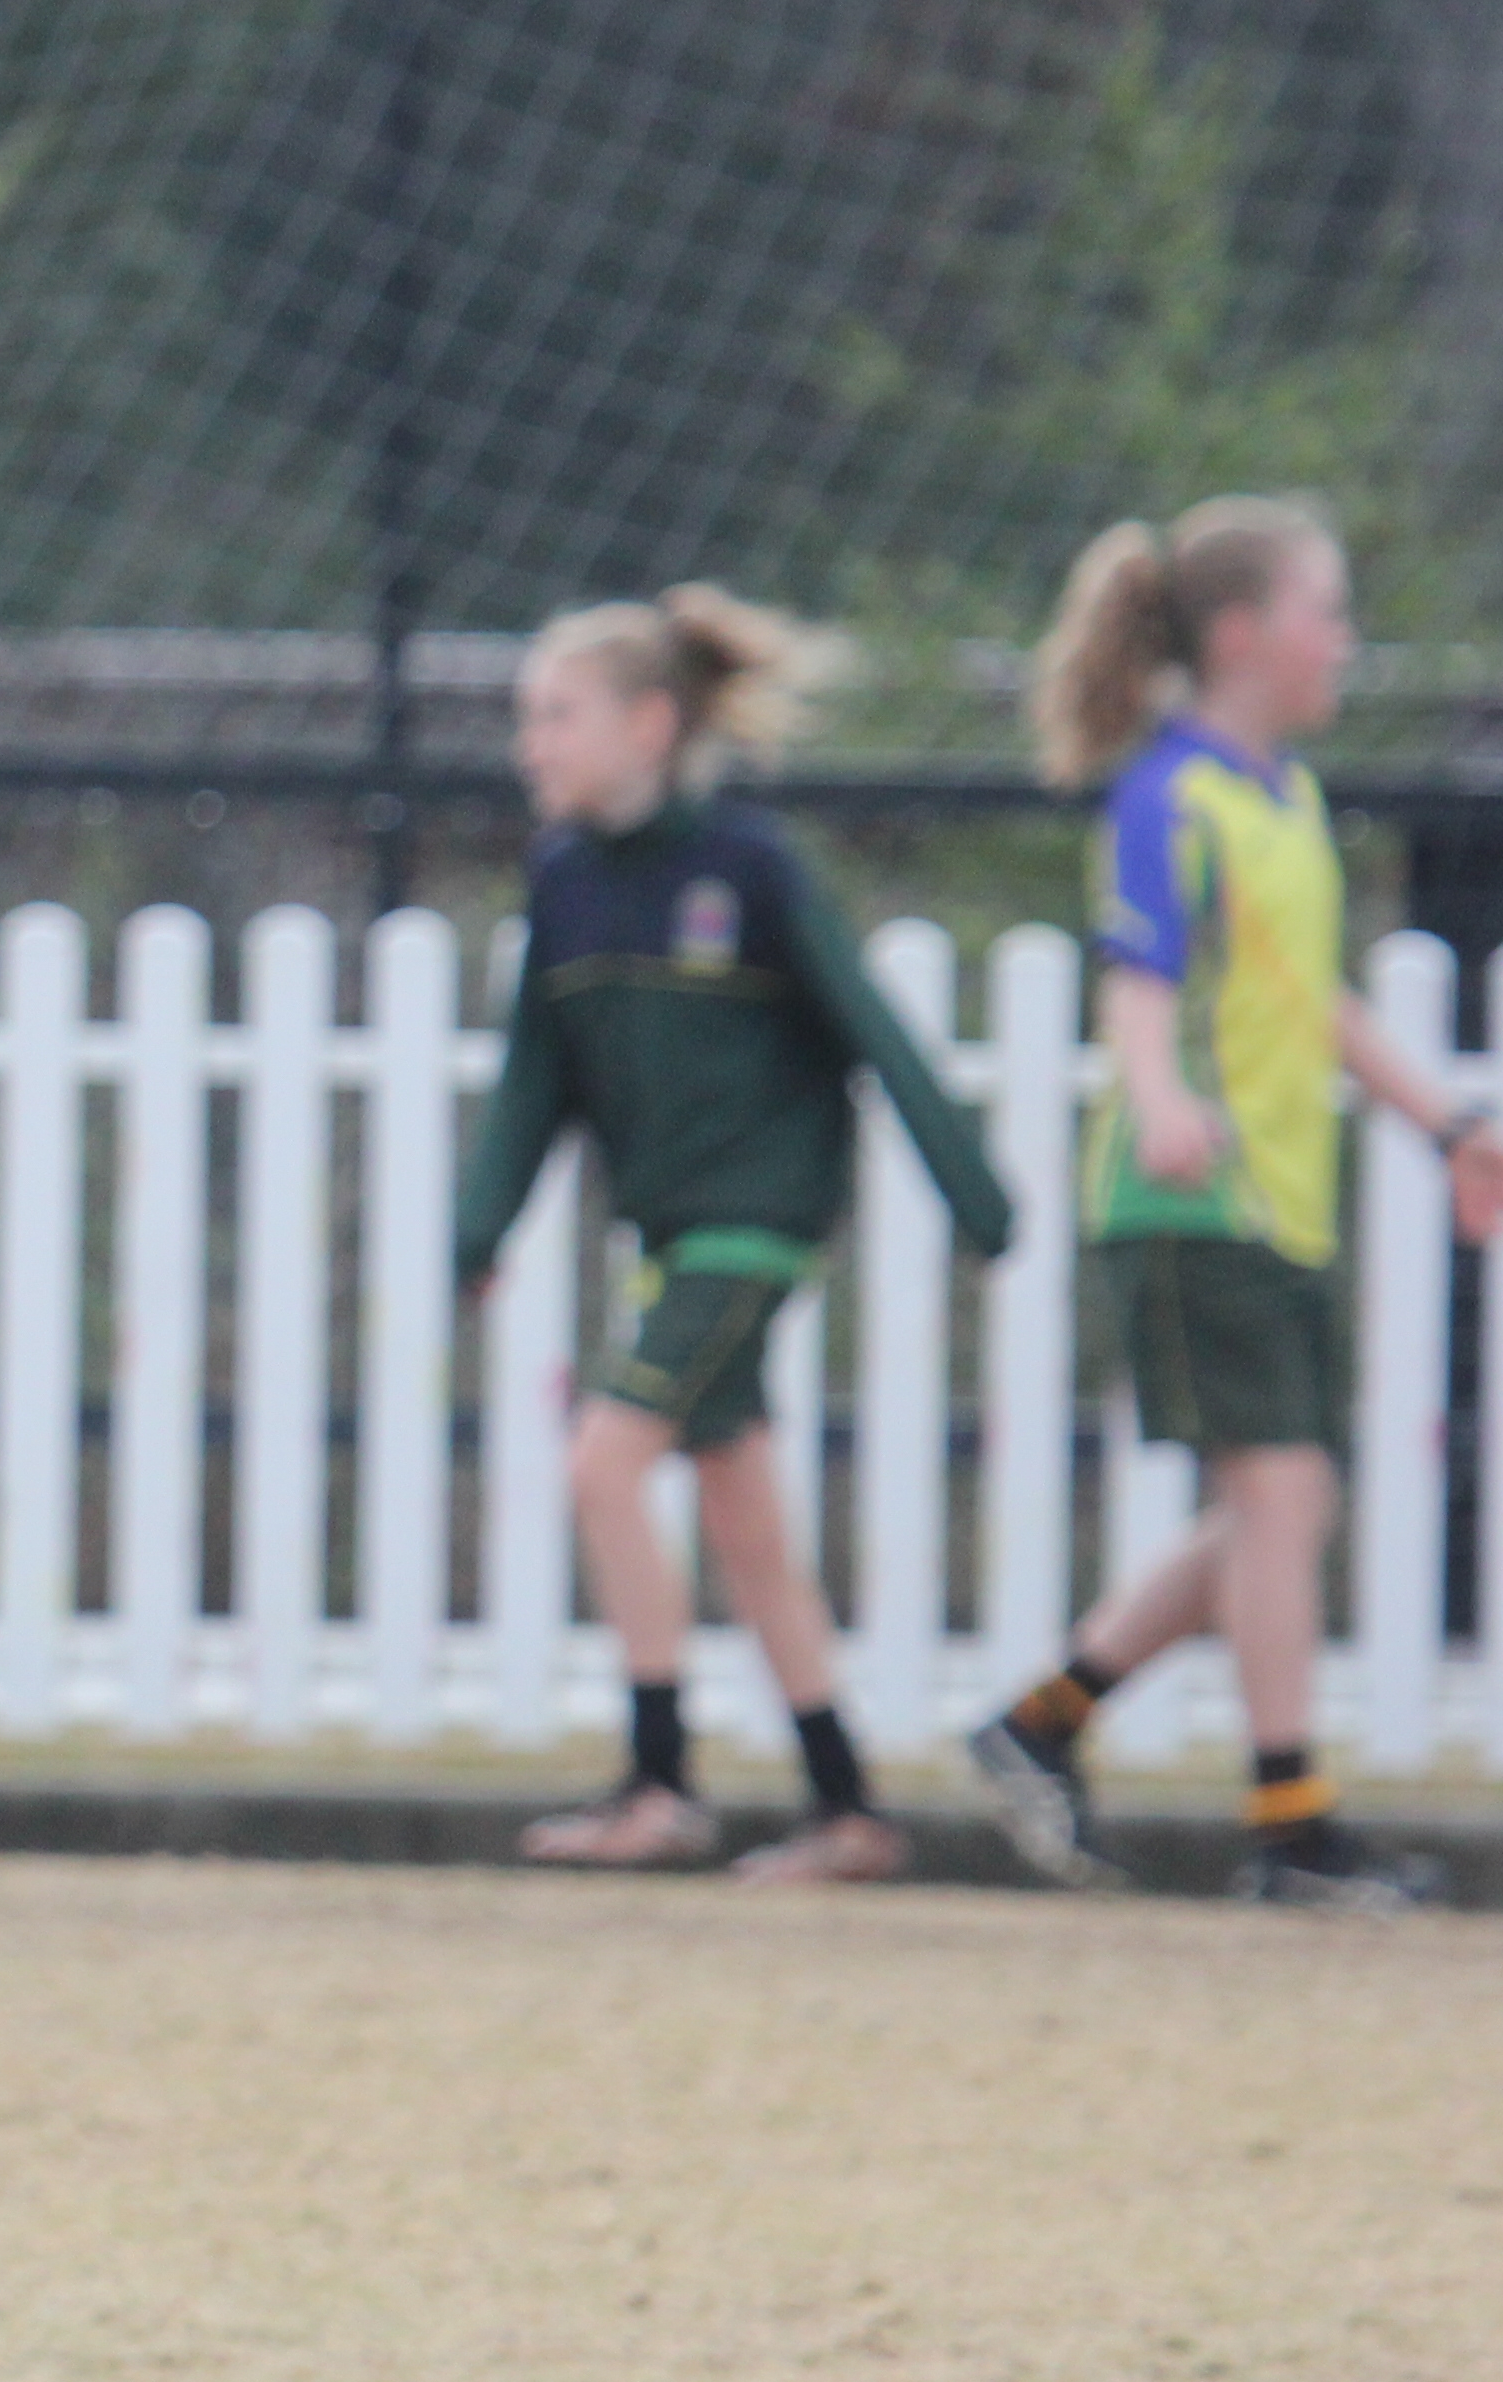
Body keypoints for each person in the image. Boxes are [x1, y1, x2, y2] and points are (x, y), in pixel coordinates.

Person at [971, 498, 1503, 1909]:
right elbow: (1138, 977)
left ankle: (1045, 1725)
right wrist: (1154, 1093)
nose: (1345, 641)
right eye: (1328, 611)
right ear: (1243, 633)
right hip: (1182, 1201)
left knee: (1279, 1502)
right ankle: (1291, 1823)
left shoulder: (1291, 802)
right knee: (1283, 1494)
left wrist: (1446, 1118)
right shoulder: (1173, 795)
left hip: (1275, 1204)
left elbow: (1309, 1003)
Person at [457, 585, 1016, 1881]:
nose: (531, 744)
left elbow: (870, 1027)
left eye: (556, 715)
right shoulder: (564, 884)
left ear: (651, 723)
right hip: (672, 1238)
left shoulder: (748, 868)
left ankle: (659, 1786)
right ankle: (850, 1807)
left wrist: (969, 1187)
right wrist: (478, 1226)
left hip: (757, 1230)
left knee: (603, 1466)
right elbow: (534, 1075)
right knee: (746, 1520)